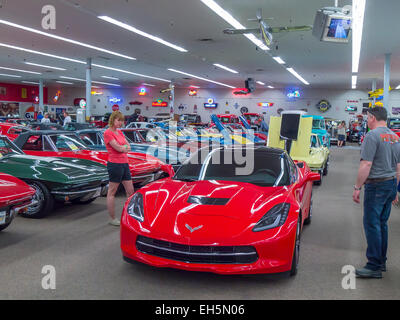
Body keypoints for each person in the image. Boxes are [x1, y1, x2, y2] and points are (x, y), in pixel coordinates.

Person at [352, 107, 400, 278]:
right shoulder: (394, 137)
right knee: (382, 224)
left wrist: (357, 187)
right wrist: (396, 188)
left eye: (367, 117)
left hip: (377, 186)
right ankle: (381, 261)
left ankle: (373, 266)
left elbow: (366, 164)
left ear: (372, 117)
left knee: (372, 224)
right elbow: (398, 166)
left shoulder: (372, 136)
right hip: (390, 183)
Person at [103, 111, 134, 226]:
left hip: (124, 163)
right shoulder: (108, 133)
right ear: (113, 120)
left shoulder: (119, 132)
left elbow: (128, 146)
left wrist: (123, 148)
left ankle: (130, 216)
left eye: (122, 120)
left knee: (130, 191)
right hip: (115, 164)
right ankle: (112, 218)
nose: (121, 123)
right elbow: (118, 148)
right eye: (118, 120)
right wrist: (123, 148)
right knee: (112, 192)